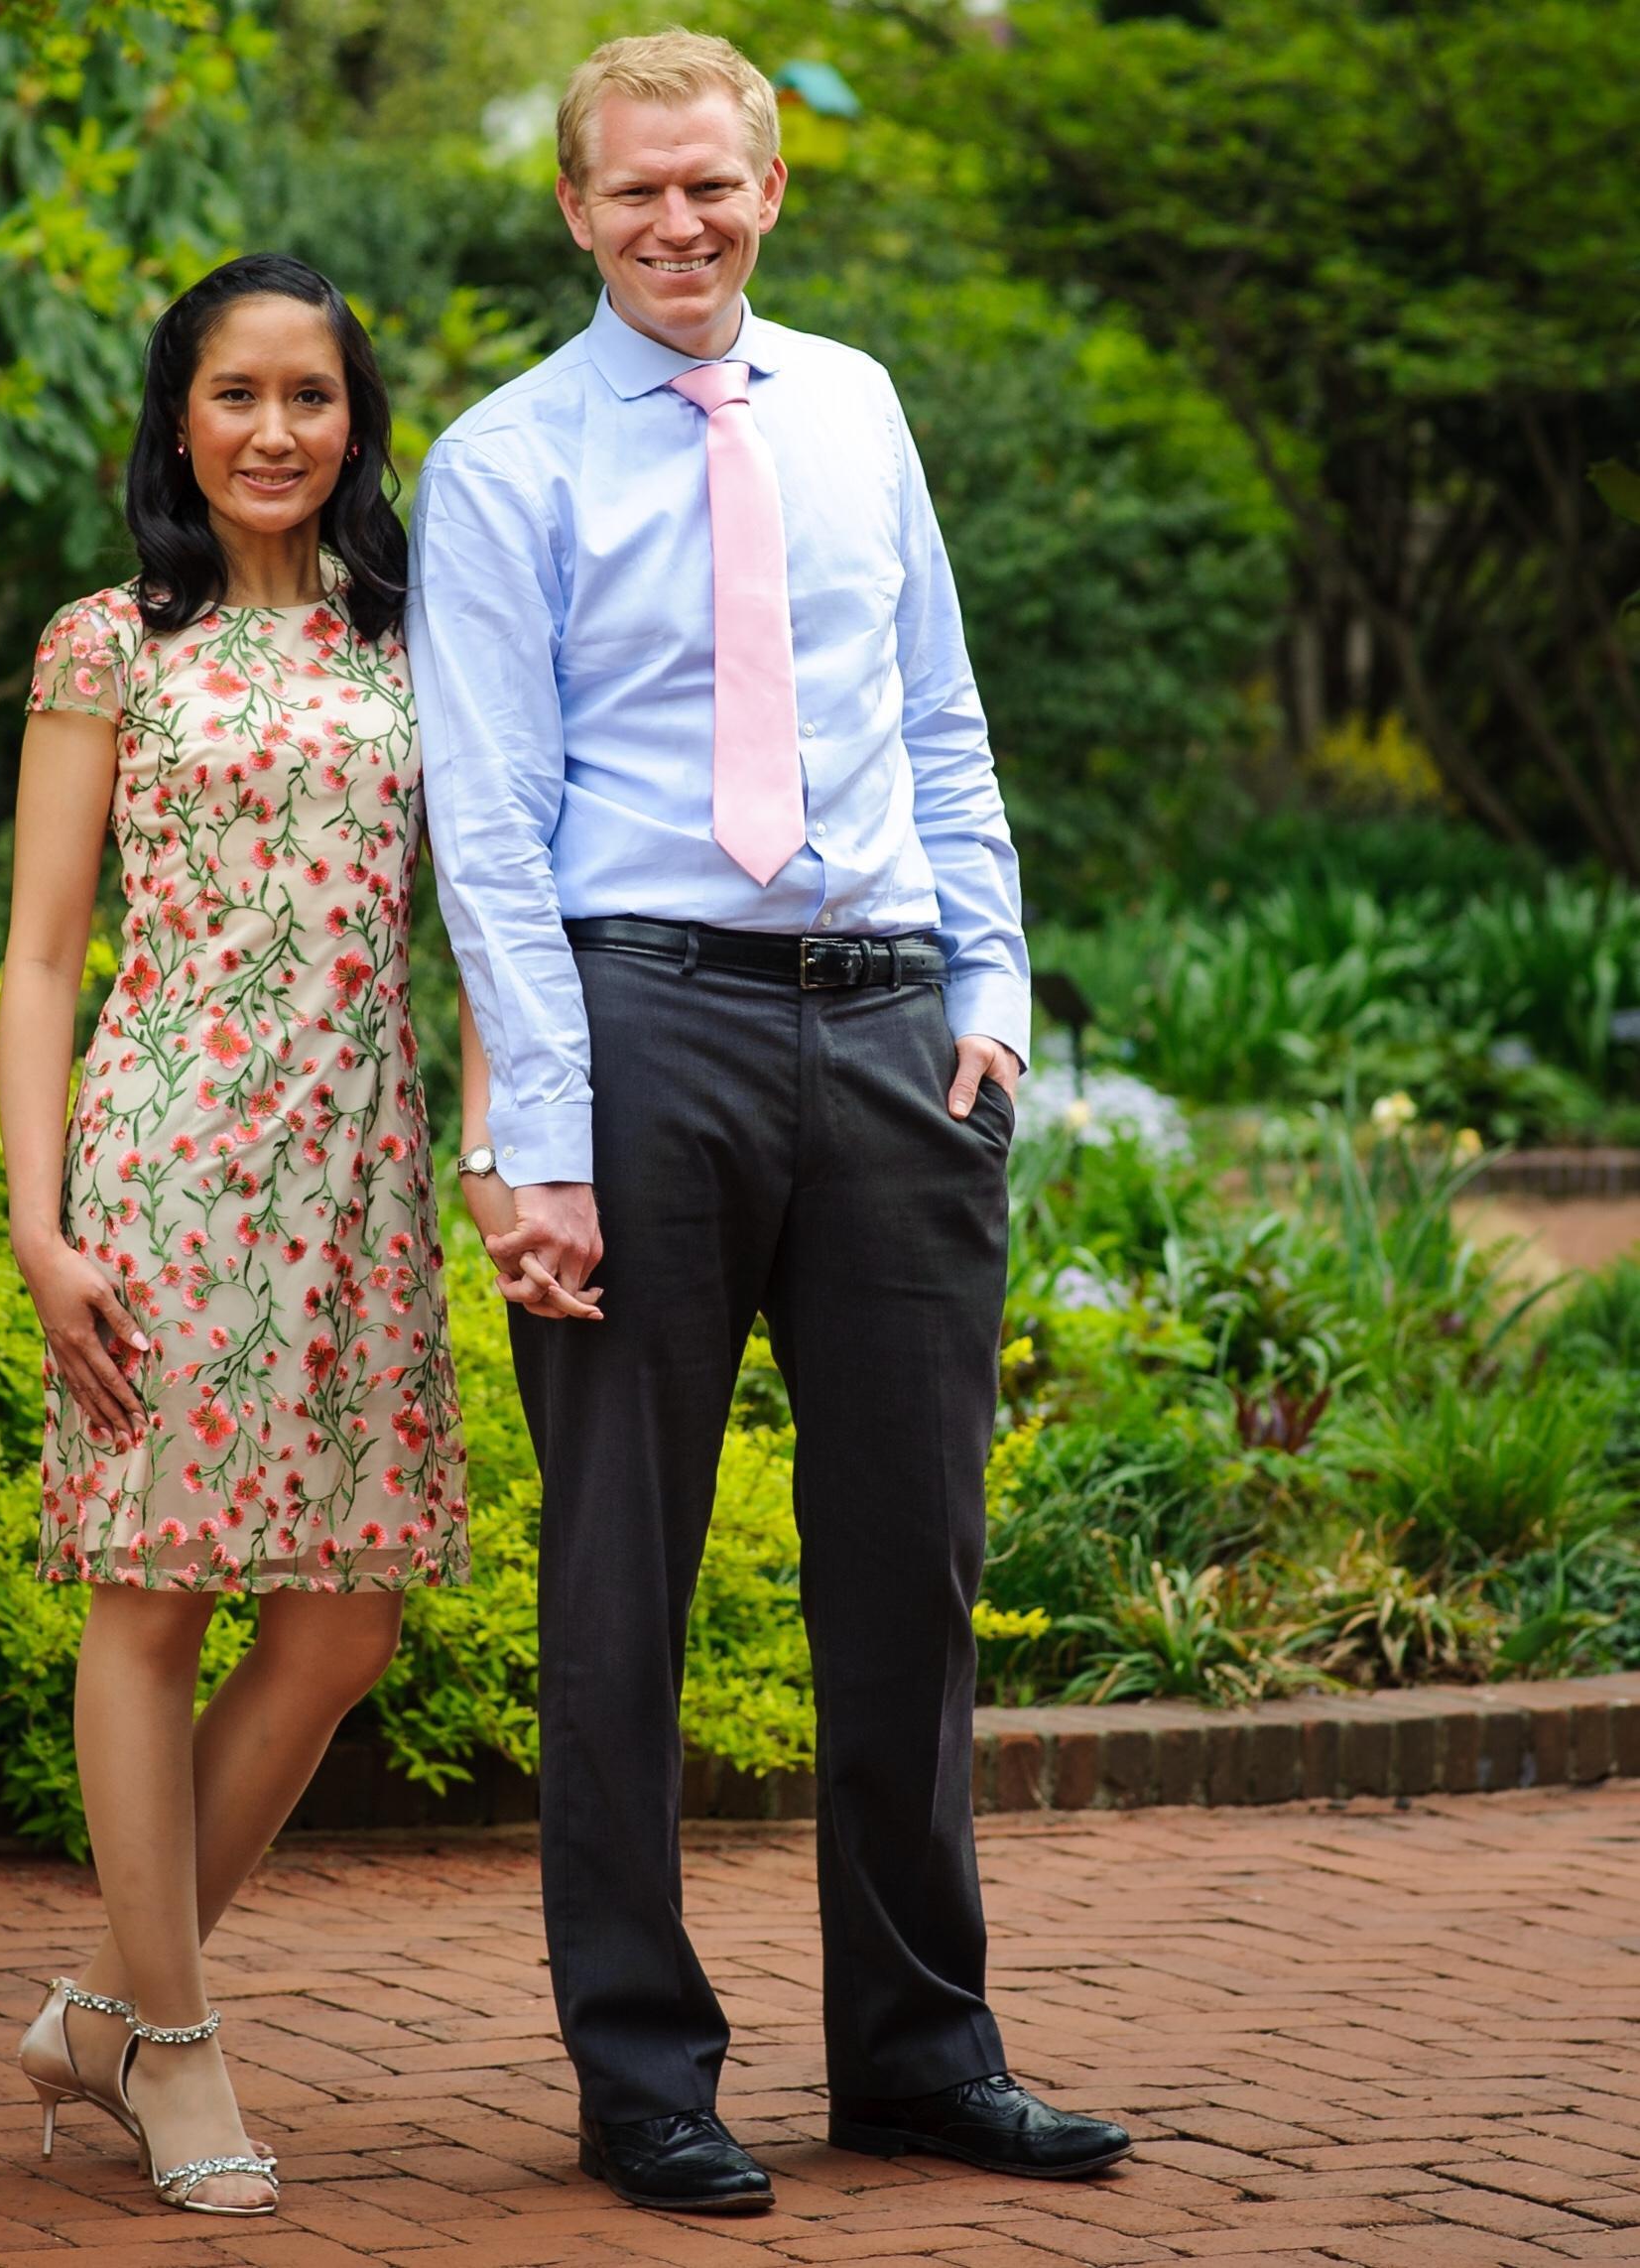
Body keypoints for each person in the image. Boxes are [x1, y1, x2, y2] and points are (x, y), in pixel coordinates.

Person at [410, 29, 1132, 2216]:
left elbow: (940, 718)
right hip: (646, 1032)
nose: (679, 224)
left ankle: (921, 2057)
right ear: (573, 208)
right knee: (619, 1573)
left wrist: (992, 999)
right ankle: (646, 2073)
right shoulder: (502, 462)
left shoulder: (858, 409)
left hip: (895, 1034)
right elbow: (495, 833)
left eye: (713, 185)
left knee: (911, 1572)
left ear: (772, 188)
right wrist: (536, 1130)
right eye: (635, 191)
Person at [0, 252, 469, 2219]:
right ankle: (175, 2049)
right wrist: (40, 1229)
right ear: (178, 420)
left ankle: (108, 2002)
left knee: (344, 1617)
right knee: (156, 1598)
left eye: (314, 397)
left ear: (357, 421)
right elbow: (35, 958)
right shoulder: (110, 645)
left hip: (362, 1180)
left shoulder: (414, 639)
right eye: (237, 397)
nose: (277, 433)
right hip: (169, 1167)